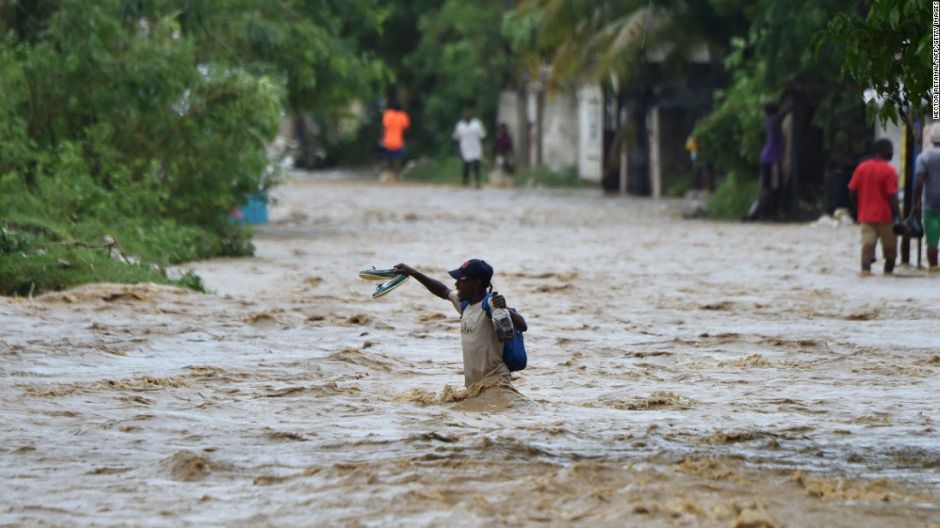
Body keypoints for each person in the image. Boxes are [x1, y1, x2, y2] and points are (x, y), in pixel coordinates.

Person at [393, 259, 527, 388]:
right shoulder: (464, 304)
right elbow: (443, 291)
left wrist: (505, 308)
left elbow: (522, 325)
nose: (456, 284)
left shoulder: (491, 304)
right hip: (475, 387)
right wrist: (413, 273)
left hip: (496, 383)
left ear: (477, 283)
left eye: (461, 280)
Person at [848, 138, 901, 276]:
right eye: (891, 150)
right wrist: (899, 217)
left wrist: (857, 208)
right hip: (886, 218)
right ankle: (887, 276)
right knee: (890, 253)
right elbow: (893, 197)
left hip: (866, 217)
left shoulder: (862, 168)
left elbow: (852, 190)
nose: (892, 153)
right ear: (885, 151)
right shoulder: (890, 171)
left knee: (867, 249)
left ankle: (865, 274)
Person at [913, 125, 940, 272]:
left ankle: (933, 268)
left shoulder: (924, 157)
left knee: (932, 243)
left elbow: (919, 182)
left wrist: (916, 203)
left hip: (931, 205)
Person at [453, 109, 486, 188]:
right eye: (465, 114)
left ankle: (478, 181)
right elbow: (456, 138)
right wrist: (458, 150)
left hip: (476, 147)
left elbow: (482, 136)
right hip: (465, 148)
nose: (467, 116)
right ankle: (465, 181)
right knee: (466, 165)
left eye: (468, 114)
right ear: (463, 116)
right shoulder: (459, 125)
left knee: (476, 165)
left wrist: (483, 146)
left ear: (471, 115)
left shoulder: (477, 124)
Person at [381, 101, 410, 180]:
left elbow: (384, 127)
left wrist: (382, 138)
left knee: (387, 159)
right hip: (398, 142)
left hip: (388, 141)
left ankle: (387, 174)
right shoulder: (403, 116)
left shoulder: (388, 114)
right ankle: (397, 174)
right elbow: (406, 129)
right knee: (397, 159)